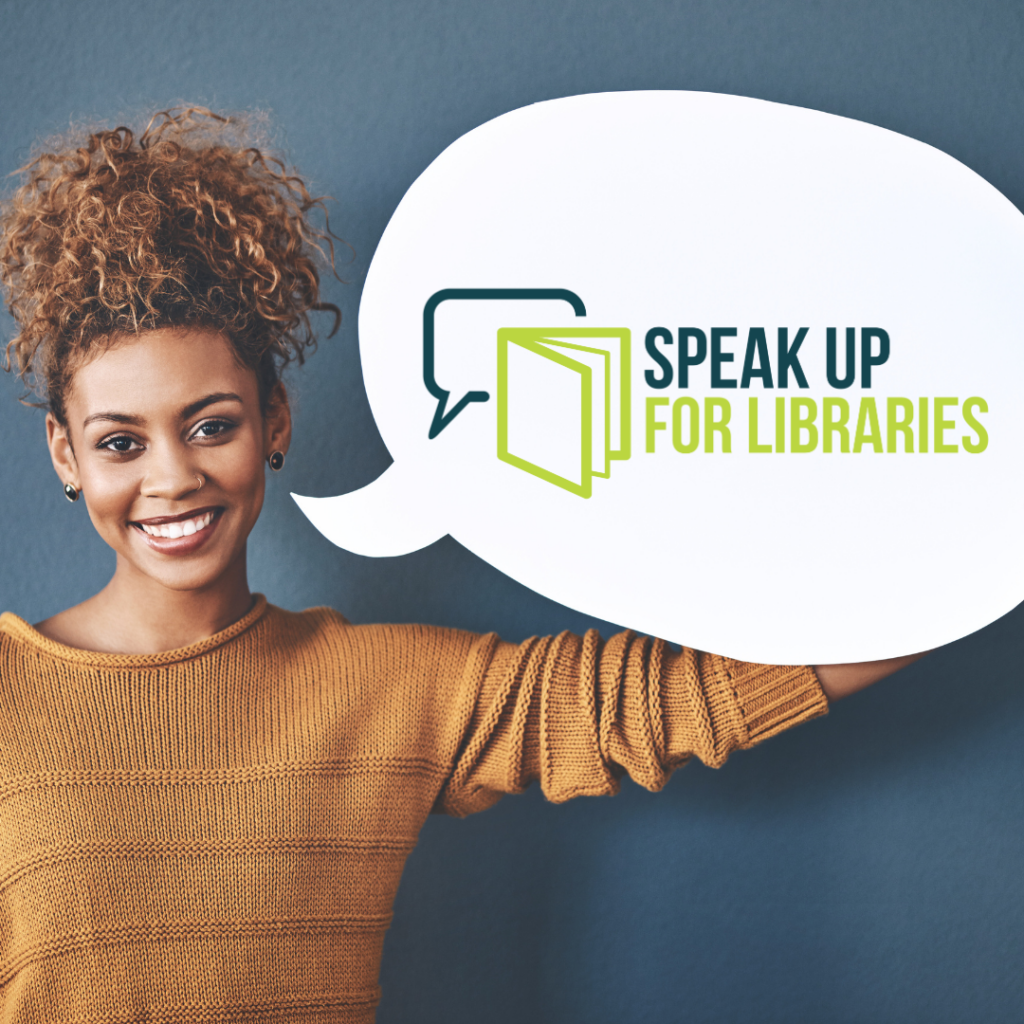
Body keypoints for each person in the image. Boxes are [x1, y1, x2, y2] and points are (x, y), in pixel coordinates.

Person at [0, 107, 922, 1023]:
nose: (173, 478)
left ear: (272, 421)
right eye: (121, 442)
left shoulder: (392, 689)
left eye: (212, 426)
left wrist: (967, 574)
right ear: (64, 454)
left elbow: (678, 699)